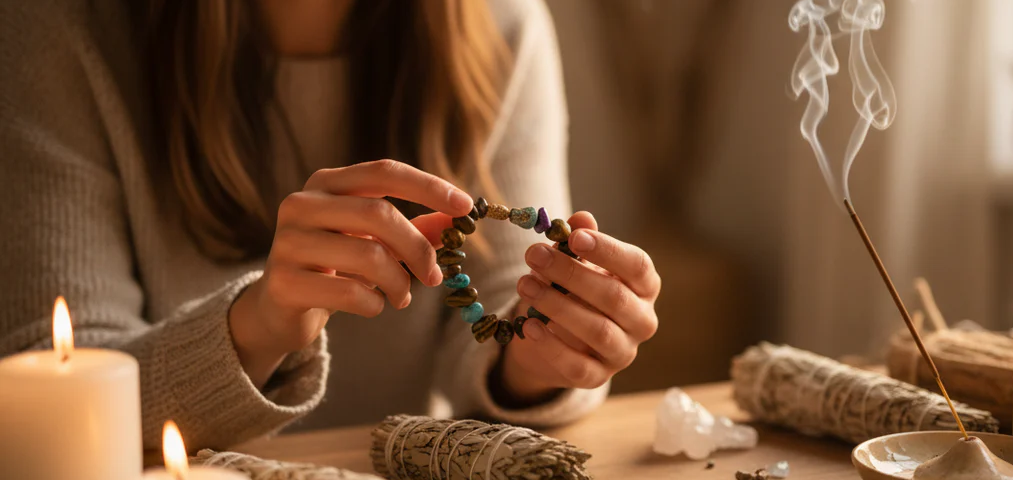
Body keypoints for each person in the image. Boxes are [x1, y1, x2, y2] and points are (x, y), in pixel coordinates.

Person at [0, 0, 661, 450]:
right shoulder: (60, 27)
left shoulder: (499, 22)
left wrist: (551, 350)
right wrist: (258, 326)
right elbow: (49, 391)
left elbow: (494, 315)